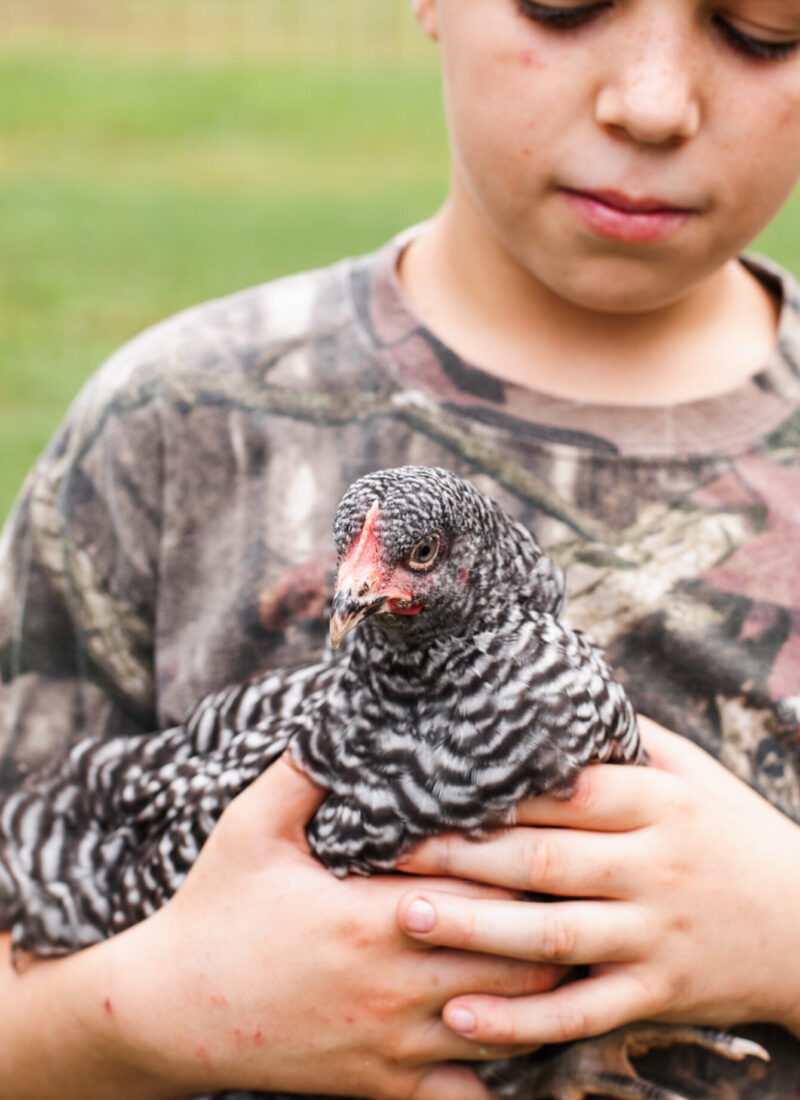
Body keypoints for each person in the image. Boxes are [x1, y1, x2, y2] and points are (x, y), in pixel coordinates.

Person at [1, 0, 800, 1096]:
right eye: (564, 2)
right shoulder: (173, 426)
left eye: (763, 24)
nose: (650, 104)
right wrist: (146, 1008)